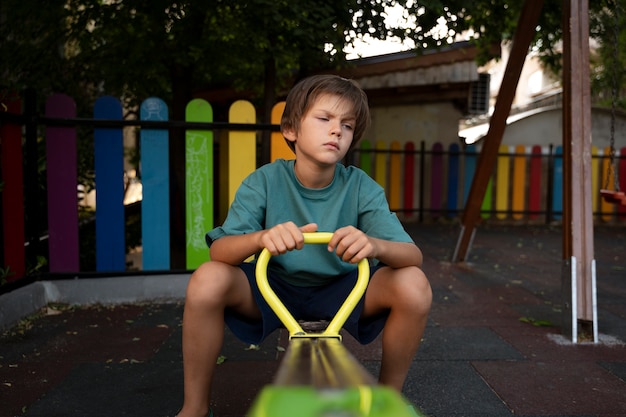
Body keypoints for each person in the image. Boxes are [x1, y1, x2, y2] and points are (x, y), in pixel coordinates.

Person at [175, 74, 432, 417]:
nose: (336, 130)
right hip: (275, 287)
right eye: (324, 118)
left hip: (345, 289)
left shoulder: (361, 187)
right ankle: (194, 408)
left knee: (414, 284)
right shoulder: (264, 180)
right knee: (208, 279)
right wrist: (262, 238)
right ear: (290, 130)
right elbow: (219, 251)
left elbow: (412, 254)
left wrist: (373, 244)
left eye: (347, 125)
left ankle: (388, 401)